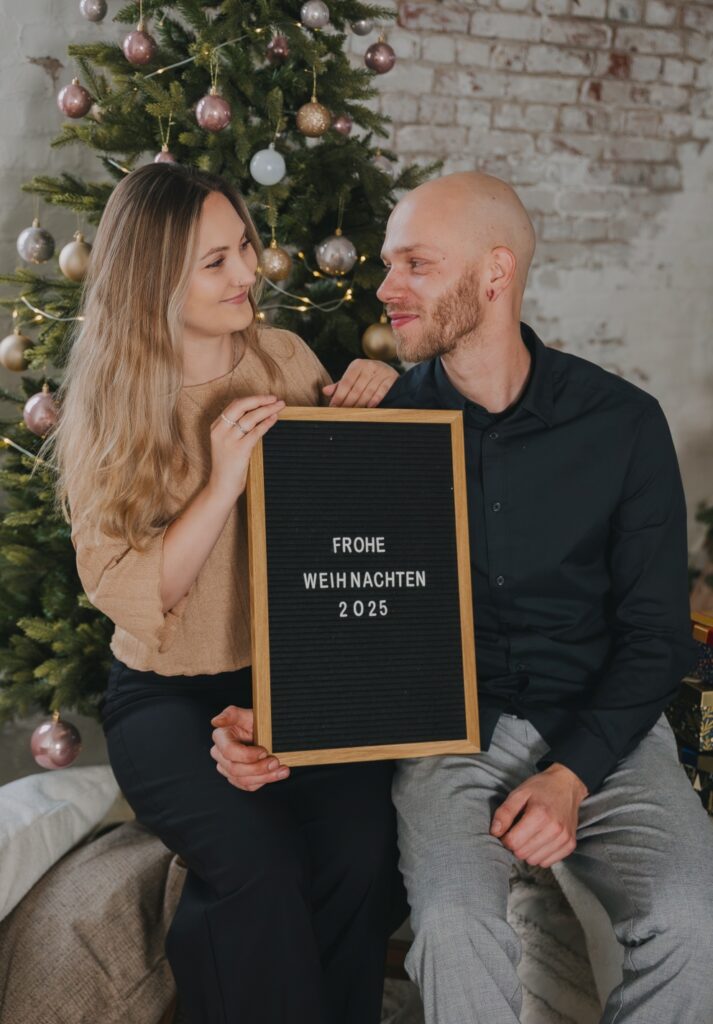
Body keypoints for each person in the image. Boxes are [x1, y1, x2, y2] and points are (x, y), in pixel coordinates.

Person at [50, 161, 404, 1024]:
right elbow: (126, 591)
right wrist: (221, 482)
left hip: (297, 677)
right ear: (154, 278)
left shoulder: (284, 357)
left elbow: (356, 513)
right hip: (165, 695)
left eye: (244, 245)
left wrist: (384, 404)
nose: (249, 271)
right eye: (216, 261)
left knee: (363, 854)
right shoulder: (108, 406)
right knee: (258, 867)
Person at [375, 171, 713, 1024]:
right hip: (447, 734)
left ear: (494, 273)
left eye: (415, 264)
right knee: (451, 926)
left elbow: (657, 635)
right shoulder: (376, 430)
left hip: (606, 728)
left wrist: (571, 776)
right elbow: (340, 608)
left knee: (693, 921)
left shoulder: (622, 423)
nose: (386, 288)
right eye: (386, 264)